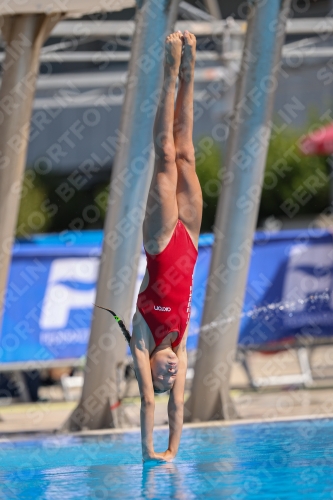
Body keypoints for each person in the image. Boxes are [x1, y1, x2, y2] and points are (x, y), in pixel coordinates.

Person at [130, 30, 202, 462]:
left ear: (149, 371)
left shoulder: (142, 336)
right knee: (187, 155)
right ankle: (190, 72)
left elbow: (151, 403)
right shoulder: (180, 345)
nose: (170, 374)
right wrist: (175, 450)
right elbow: (176, 403)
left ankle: (170, 72)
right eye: (169, 378)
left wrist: (151, 450)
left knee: (164, 153)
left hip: (159, 243)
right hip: (190, 242)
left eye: (162, 376)